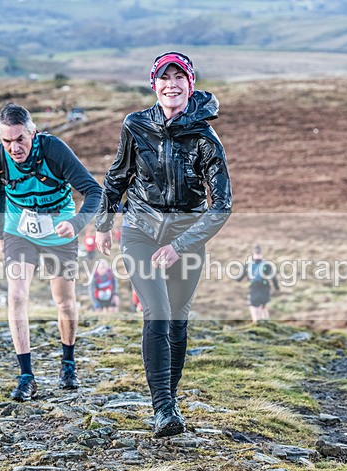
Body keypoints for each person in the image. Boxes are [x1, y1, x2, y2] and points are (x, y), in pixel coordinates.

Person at [95, 52, 232, 437]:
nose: (171, 84)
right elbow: (117, 176)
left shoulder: (206, 138)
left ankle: (167, 402)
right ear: (154, 84)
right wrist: (104, 223)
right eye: (164, 77)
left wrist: (181, 245)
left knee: (176, 319)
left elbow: (221, 207)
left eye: (179, 77)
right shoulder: (135, 125)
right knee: (156, 311)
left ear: (191, 84)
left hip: (184, 240)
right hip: (139, 231)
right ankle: (162, 409)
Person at [0, 102, 102, 401]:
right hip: (19, 229)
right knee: (16, 295)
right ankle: (26, 376)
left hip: (58, 230)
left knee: (64, 302)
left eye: (20, 139)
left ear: (33, 133)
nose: (13, 147)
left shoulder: (54, 150)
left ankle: (68, 363)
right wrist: (1, 233)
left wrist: (76, 223)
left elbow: (94, 191)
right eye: (7, 141)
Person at [238, 245, 280, 322]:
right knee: (263, 306)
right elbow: (273, 276)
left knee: (254, 307)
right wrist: (276, 287)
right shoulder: (266, 264)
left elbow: (240, 278)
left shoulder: (249, 264)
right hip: (264, 288)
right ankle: (266, 323)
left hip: (255, 288)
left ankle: (257, 323)